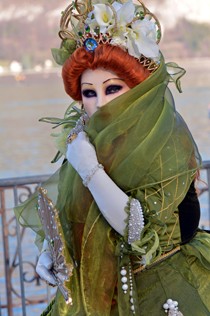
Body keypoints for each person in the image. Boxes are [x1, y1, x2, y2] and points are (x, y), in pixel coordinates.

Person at [15, 1, 210, 315]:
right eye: (89, 93)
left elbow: (138, 231)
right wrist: (53, 252)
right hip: (99, 293)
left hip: (160, 291)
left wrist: (90, 169)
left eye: (113, 88)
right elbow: (77, 214)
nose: (100, 103)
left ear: (136, 89)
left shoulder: (165, 139)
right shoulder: (84, 139)